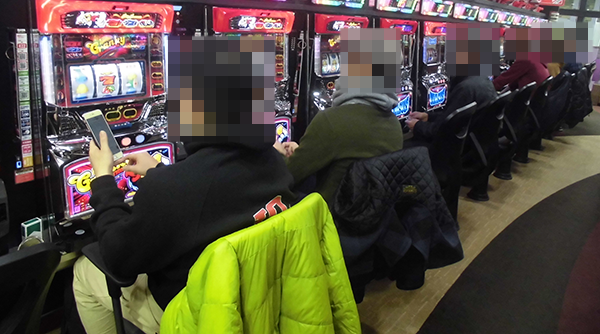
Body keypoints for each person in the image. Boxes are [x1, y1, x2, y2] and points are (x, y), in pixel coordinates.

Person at [73, 36, 297, 334]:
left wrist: (102, 180)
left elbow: (119, 258)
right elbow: (209, 191)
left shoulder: (174, 189)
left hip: (192, 312)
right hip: (257, 298)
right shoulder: (275, 162)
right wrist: (160, 171)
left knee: (83, 271)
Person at [275, 28, 404, 203]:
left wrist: (277, 153)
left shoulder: (331, 121)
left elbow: (288, 176)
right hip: (373, 212)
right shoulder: (393, 123)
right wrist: (303, 152)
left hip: (332, 214)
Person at [406, 75, 497, 143]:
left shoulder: (465, 88)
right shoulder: (482, 80)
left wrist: (417, 126)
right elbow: (452, 116)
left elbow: (440, 132)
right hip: (481, 143)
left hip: (460, 150)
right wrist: (428, 116)